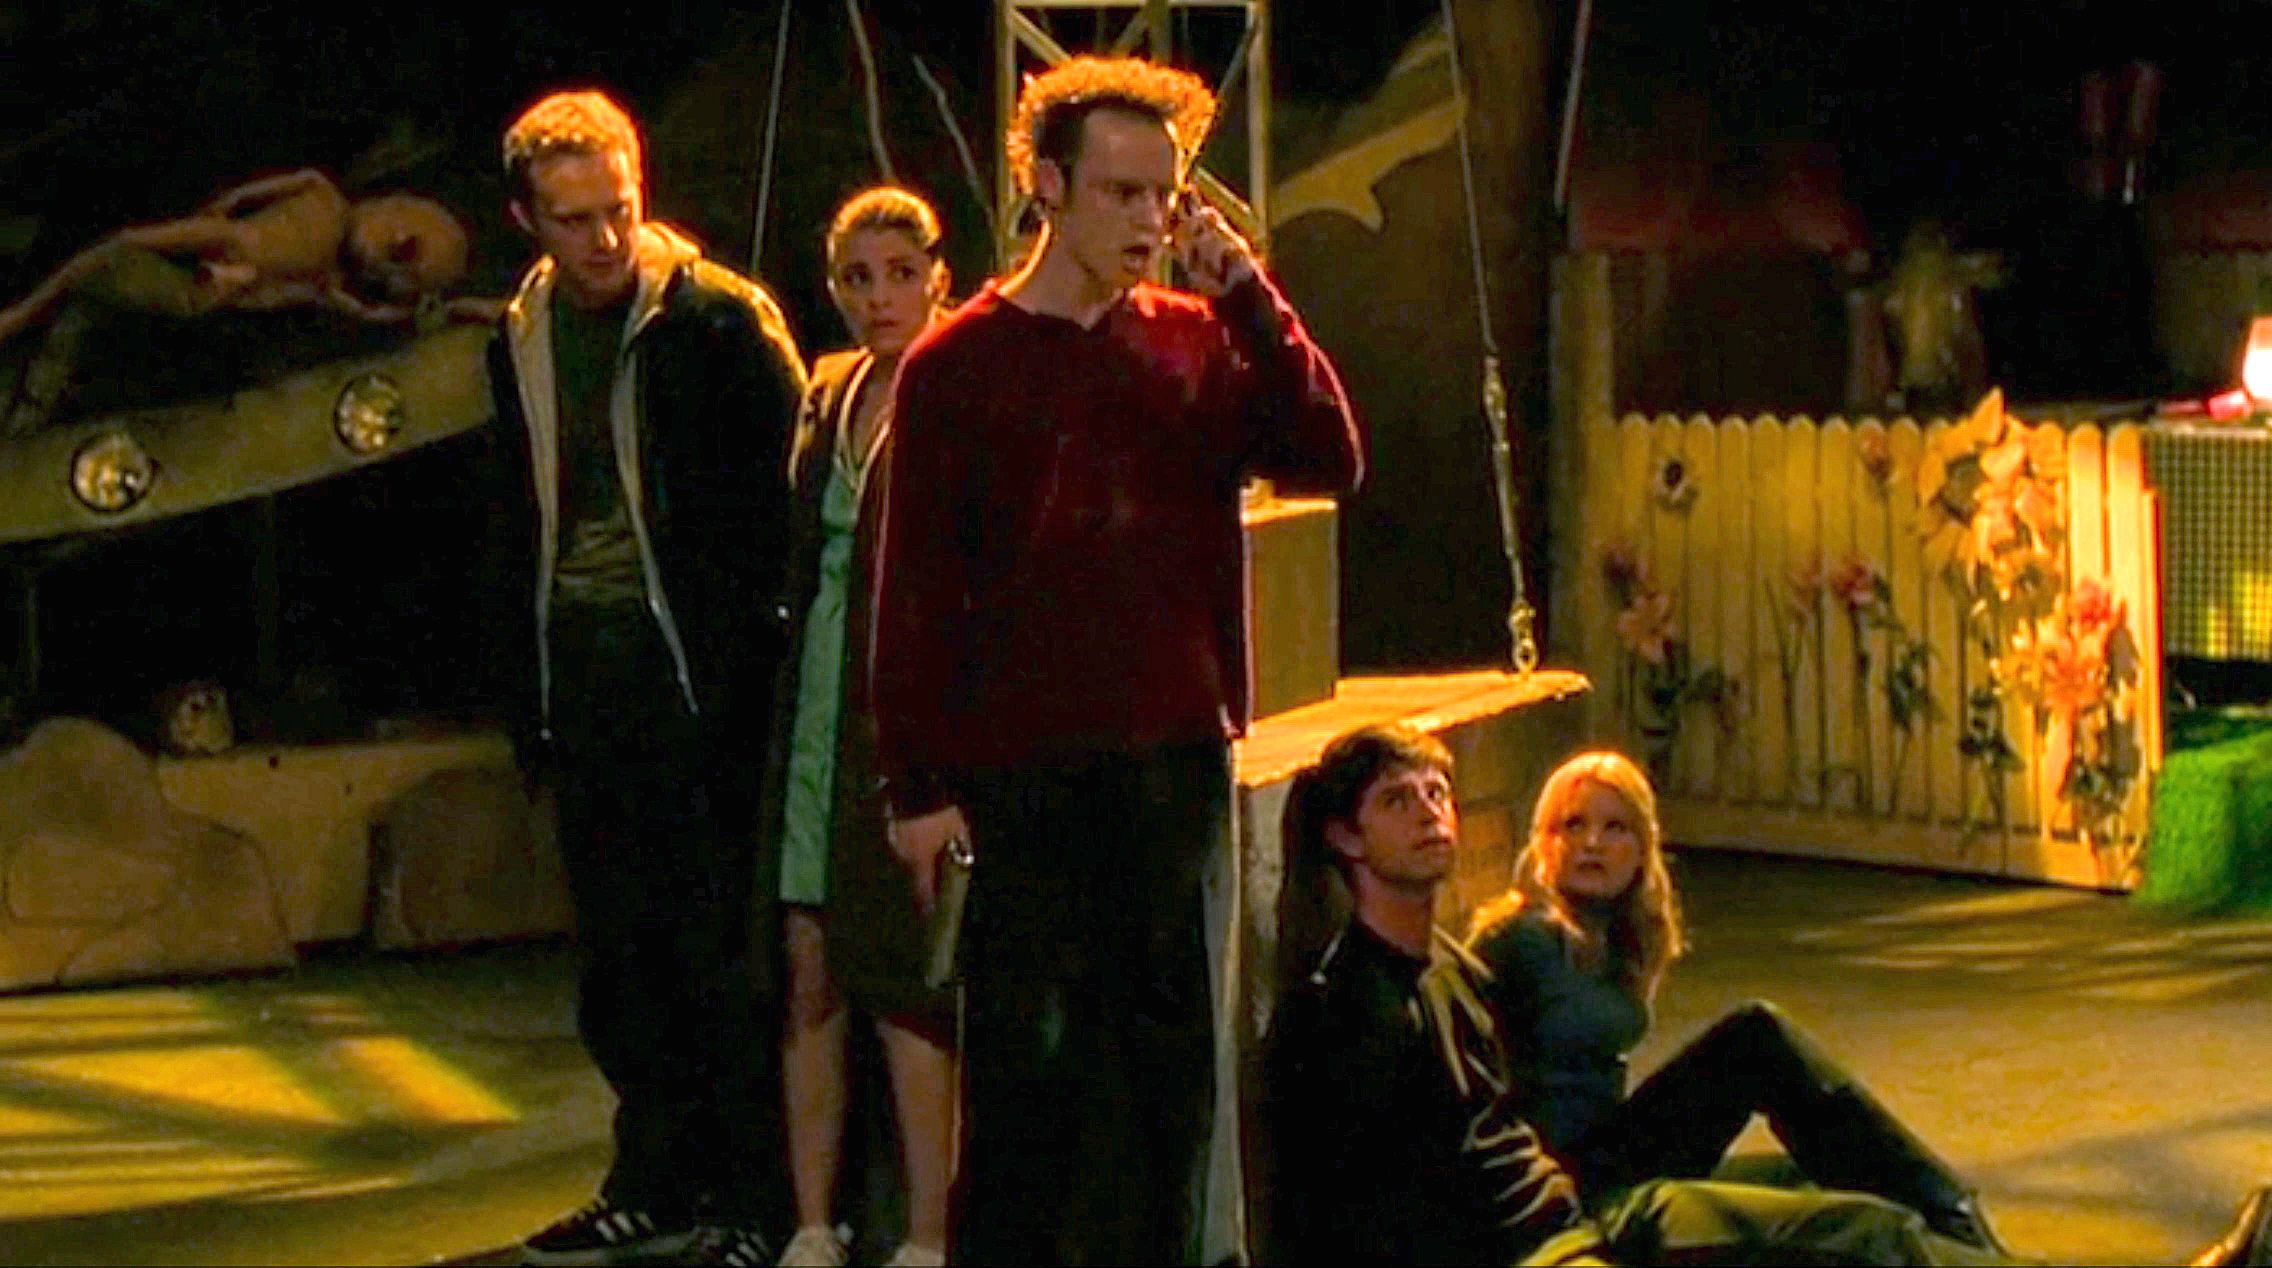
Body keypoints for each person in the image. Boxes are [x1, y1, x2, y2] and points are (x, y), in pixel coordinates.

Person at [868, 54, 1364, 1265]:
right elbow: (914, 590)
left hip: (1170, 758)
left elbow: (1327, 455)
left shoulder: (1194, 341)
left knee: (1167, 1086)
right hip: (1024, 770)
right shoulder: (955, 366)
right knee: (1027, 1093)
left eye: (1164, 194)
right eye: (1121, 192)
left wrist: (1251, 298)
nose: (1148, 219)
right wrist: (916, 787)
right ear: (1047, 186)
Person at [1464, 748, 2272, 1268]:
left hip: (1612, 1150)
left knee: (1779, 1087)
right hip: (1567, 1187)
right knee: (1844, 1194)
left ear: (1643, 849)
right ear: (1542, 841)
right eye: (1571, 825)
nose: (1592, 842)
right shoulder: (1518, 937)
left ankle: (1964, 1232)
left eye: (1615, 828)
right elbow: (1453, 1076)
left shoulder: (1614, 940)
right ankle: (1980, 1248)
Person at [1264, 723, 2028, 1267]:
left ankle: (1961, 1227)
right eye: (1399, 801)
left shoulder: (1458, 962)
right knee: (1862, 1231)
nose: (1430, 813)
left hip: (1570, 1195)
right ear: (1346, 837)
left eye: (1438, 793)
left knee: (1815, 1168)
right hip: (1580, 1199)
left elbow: (1490, 1134)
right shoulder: (1432, 976)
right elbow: (1373, 1203)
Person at [478, 89, 806, 1267]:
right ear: (527, 220)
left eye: (618, 208)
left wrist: (754, 671)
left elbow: (787, 498)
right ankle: (656, 1179)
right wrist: (530, 702)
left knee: (725, 953)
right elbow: (518, 519)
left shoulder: (712, 319)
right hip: (588, 668)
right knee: (624, 958)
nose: (605, 237)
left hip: (700, 680)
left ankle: (756, 1197)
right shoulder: (518, 333)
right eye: (574, 219)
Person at [765, 187, 955, 1268]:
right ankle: (811, 1221)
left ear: (937, 274)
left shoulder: (958, 383)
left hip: (905, 711)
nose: (881, 297)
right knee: (810, 964)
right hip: (819, 704)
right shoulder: (831, 391)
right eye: (857, 277)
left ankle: (928, 1232)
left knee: (907, 980)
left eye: (900, 273)